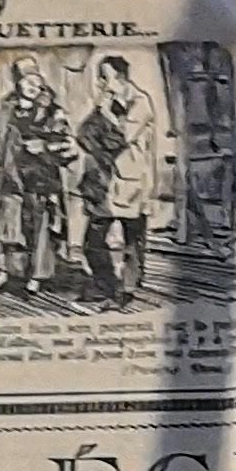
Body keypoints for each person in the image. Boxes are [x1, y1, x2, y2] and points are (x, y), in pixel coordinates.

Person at [0, 56, 75, 296]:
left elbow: (67, 145)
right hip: (10, 179)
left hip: (41, 180)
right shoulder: (5, 109)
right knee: (6, 224)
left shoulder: (53, 112)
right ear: (17, 83)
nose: (32, 86)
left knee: (40, 229)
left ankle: (36, 276)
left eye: (35, 81)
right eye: (26, 81)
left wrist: (45, 147)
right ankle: (3, 271)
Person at [76, 52, 163, 302]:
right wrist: (100, 114)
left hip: (132, 182)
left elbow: (118, 139)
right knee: (93, 241)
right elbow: (83, 135)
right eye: (100, 78)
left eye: (106, 77)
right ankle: (104, 283)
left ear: (121, 78)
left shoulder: (140, 102)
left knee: (132, 240)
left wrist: (103, 116)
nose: (101, 83)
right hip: (104, 183)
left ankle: (128, 288)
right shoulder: (105, 105)